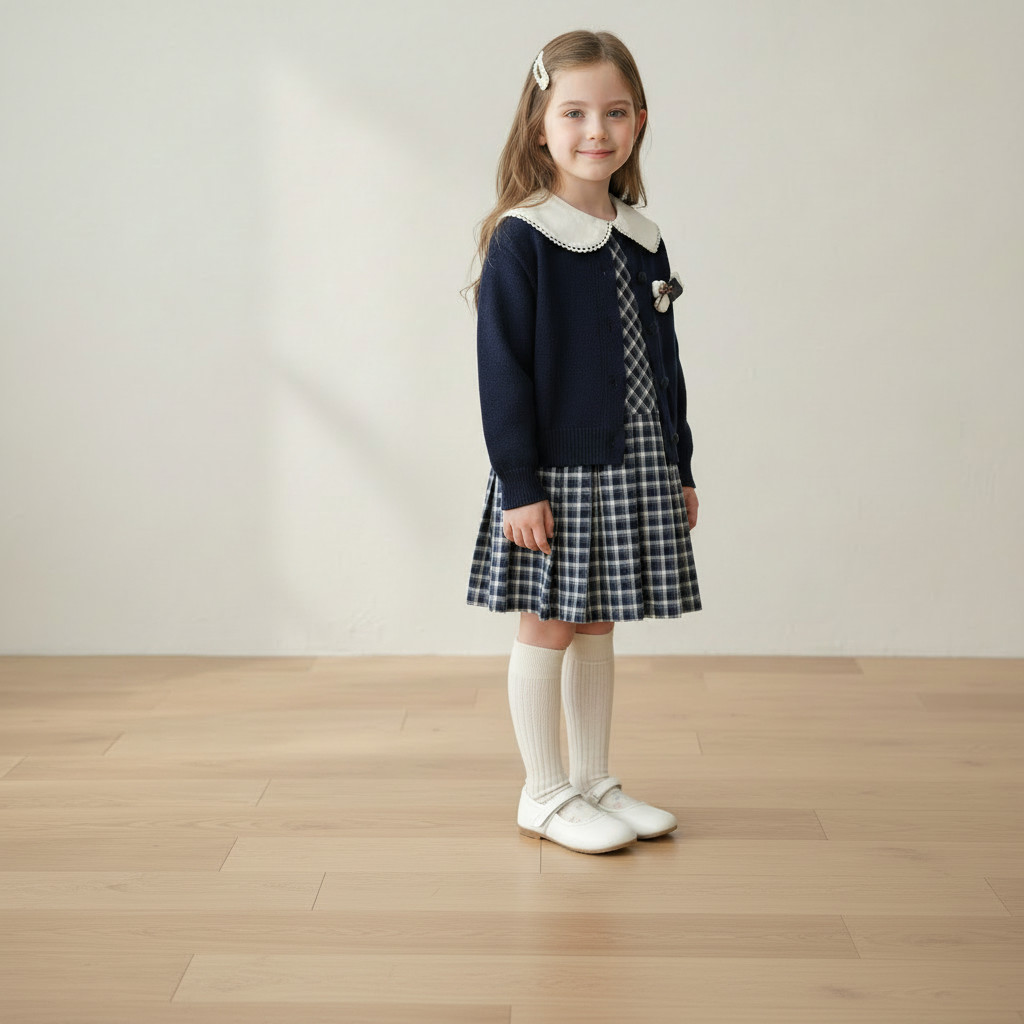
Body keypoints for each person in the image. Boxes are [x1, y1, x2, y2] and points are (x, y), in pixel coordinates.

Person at [465, 30, 702, 855]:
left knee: (599, 623)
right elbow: (502, 373)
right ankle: (544, 793)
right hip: (555, 472)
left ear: (640, 121)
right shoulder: (524, 235)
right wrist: (520, 486)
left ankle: (594, 781)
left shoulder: (643, 236)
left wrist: (680, 466)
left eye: (615, 112)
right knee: (548, 626)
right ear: (539, 125)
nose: (595, 130)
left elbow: (665, 365)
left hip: (632, 464)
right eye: (573, 112)